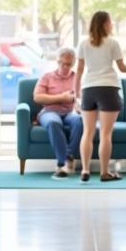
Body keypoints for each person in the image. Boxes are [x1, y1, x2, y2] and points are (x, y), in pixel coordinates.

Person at [75, 10, 126, 182]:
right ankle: (104, 173)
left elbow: (79, 71)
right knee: (106, 134)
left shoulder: (83, 44)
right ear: (105, 23)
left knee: (87, 132)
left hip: (89, 89)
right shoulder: (112, 43)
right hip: (108, 88)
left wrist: (77, 93)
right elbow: (121, 68)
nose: (111, 24)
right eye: (110, 21)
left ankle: (85, 170)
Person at [33, 47, 84, 178]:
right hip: (50, 111)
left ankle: (69, 156)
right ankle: (62, 164)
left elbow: (82, 97)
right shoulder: (47, 77)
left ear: (73, 64)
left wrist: (78, 103)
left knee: (79, 120)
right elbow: (37, 97)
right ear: (57, 61)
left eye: (69, 64)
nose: (65, 67)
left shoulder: (76, 78)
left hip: (70, 111)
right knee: (53, 122)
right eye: (63, 63)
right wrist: (61, 97)